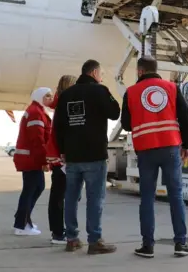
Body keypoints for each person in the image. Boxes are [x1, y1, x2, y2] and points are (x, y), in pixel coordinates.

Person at [120, 56, 188, 258]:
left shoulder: (131, 92)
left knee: (147, 198)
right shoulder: (171, 88)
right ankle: (180, 243)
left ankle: (147, 246)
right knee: (176, 195)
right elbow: (185, 117)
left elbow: (126, 124)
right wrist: (186, 144)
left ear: (140, 71)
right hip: (170, 146)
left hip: (145, 149)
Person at [53, 59, 120, 254]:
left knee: (71, 198)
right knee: (94, 199)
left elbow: (58, 126)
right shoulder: (100, 91)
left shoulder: (66, 95)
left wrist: (63, 150)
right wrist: (107, 94)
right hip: (95, 155)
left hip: (73, 156)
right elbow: (115, 113)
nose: (102, 78)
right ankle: (95, 240)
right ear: (94, 73)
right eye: (101, 74)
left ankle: (71, 239)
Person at [12, 87, 54, 236]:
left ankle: (23, 219)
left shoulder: (38, 111)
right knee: (31, 190)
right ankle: (21, 225)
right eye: (47, 96)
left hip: (32, 158)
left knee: (36, 188)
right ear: (39, 97)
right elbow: (37, 140)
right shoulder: (36, 113)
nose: (50, 98)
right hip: (32, 159)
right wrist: (44, 161)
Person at [44, 74, 77, 245]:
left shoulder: (59, 104)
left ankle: (57, 230)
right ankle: (58, 233)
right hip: (61, 157)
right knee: (59, 196)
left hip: (57, 156)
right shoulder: (65, 104)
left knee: (58, 195)